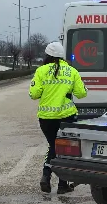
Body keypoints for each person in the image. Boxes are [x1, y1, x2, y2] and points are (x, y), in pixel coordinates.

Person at [29, 42, 87, 194]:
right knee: (64, 149)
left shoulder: (41, 71)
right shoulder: (72, 71)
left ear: (47, 55)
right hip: (66, 117)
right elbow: (82, 93)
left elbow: (33, 94)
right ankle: (61, 184)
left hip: (46, 118)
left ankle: (47, 176)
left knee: (54, 146)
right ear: (62, 56)